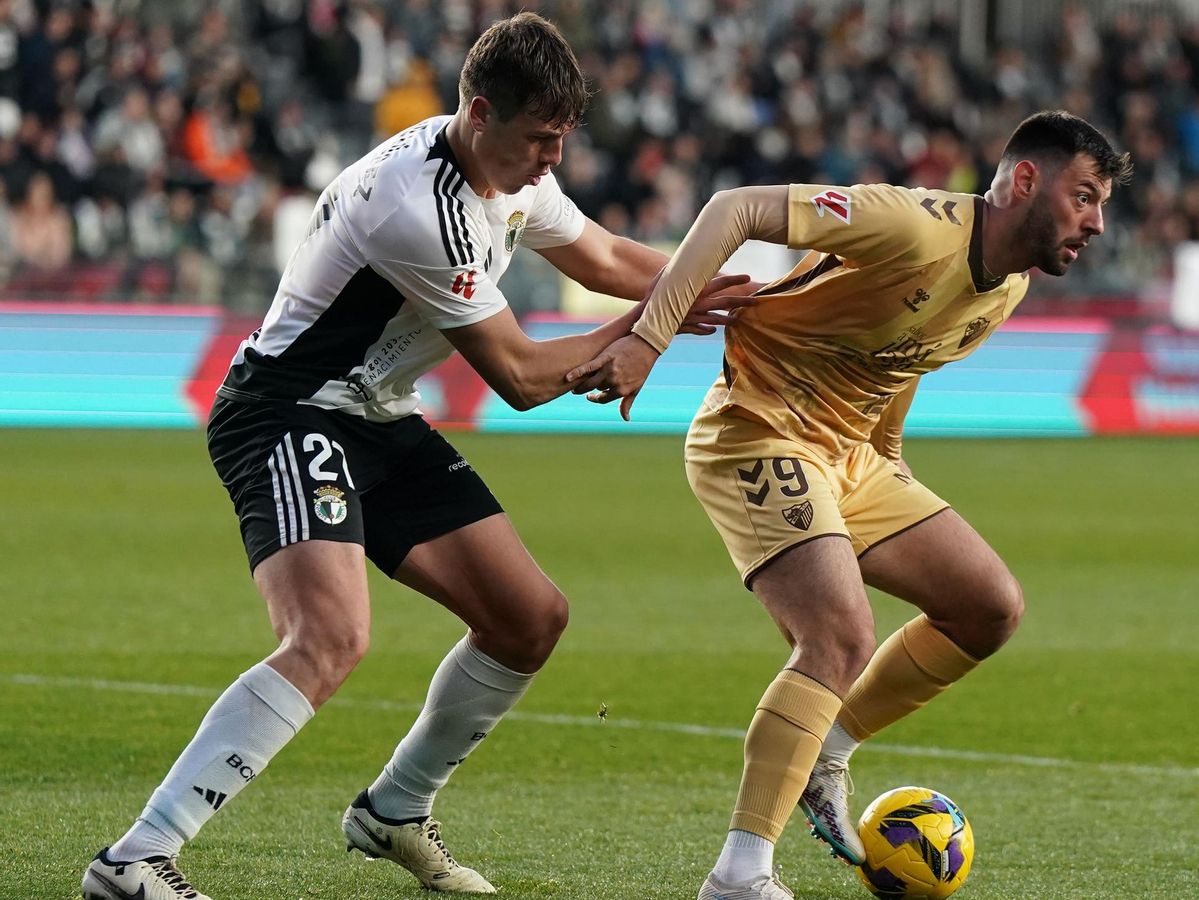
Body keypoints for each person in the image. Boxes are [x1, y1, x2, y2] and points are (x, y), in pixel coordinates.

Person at [81, 13, 753, 900]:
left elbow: (601, 255)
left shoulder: (508, 170)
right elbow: (517, 374)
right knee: (328, 636)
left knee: (528, 618)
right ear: (481, 113)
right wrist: (652, 325)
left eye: (562, 140)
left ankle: (394, 809)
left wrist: (716, 289)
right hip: (288, 413)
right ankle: (135, 860)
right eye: (540, 141)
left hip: (376, 415)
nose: (552, 160)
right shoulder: (418, 205)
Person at [567, 111, 1132, 900]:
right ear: (1026, 181)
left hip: (853, 457)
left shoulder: (1007, 287)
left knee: (988, 608)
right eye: (1085, 197)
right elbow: (734, 209)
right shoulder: (910, 224)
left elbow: (904, 360)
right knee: (837, 636)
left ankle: (823, 752)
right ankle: (738, 876)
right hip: (756, 428)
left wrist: (889, 464)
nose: (1097, 223)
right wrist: (648, 340)